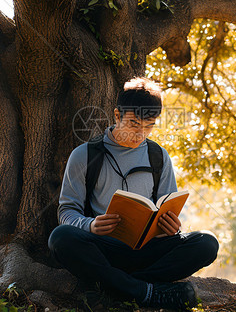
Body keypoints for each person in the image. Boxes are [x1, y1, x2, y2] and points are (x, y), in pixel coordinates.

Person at [48, 77, 219, 310]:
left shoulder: (159, 156)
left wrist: (172, 227)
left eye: (149, 126)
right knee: (61, 238)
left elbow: (168, 207)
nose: (141, 134)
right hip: (103, 249)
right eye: (134, 125)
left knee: (207, 243)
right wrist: (90, 225)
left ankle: (121, 288)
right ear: (117, 116)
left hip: (148, 252)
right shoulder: (85, 155)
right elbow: (67, 211)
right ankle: (148, 291)